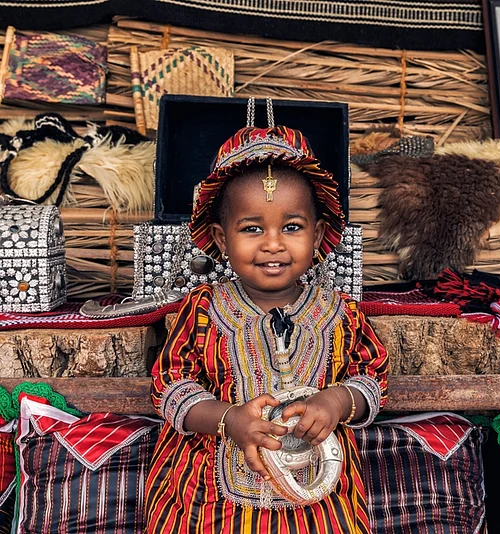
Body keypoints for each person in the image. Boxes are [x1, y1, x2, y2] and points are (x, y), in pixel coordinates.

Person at [145, 125, 388, 533]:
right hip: (210, 497)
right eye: (252, 228)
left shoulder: (339, 312)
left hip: (318, 492)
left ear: (319, 235)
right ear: (222, 239)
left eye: (291, 227)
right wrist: (229, 421)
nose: (272, 243)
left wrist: (336, 403)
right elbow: (171, 385)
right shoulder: (205, 309)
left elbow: (371, 377)